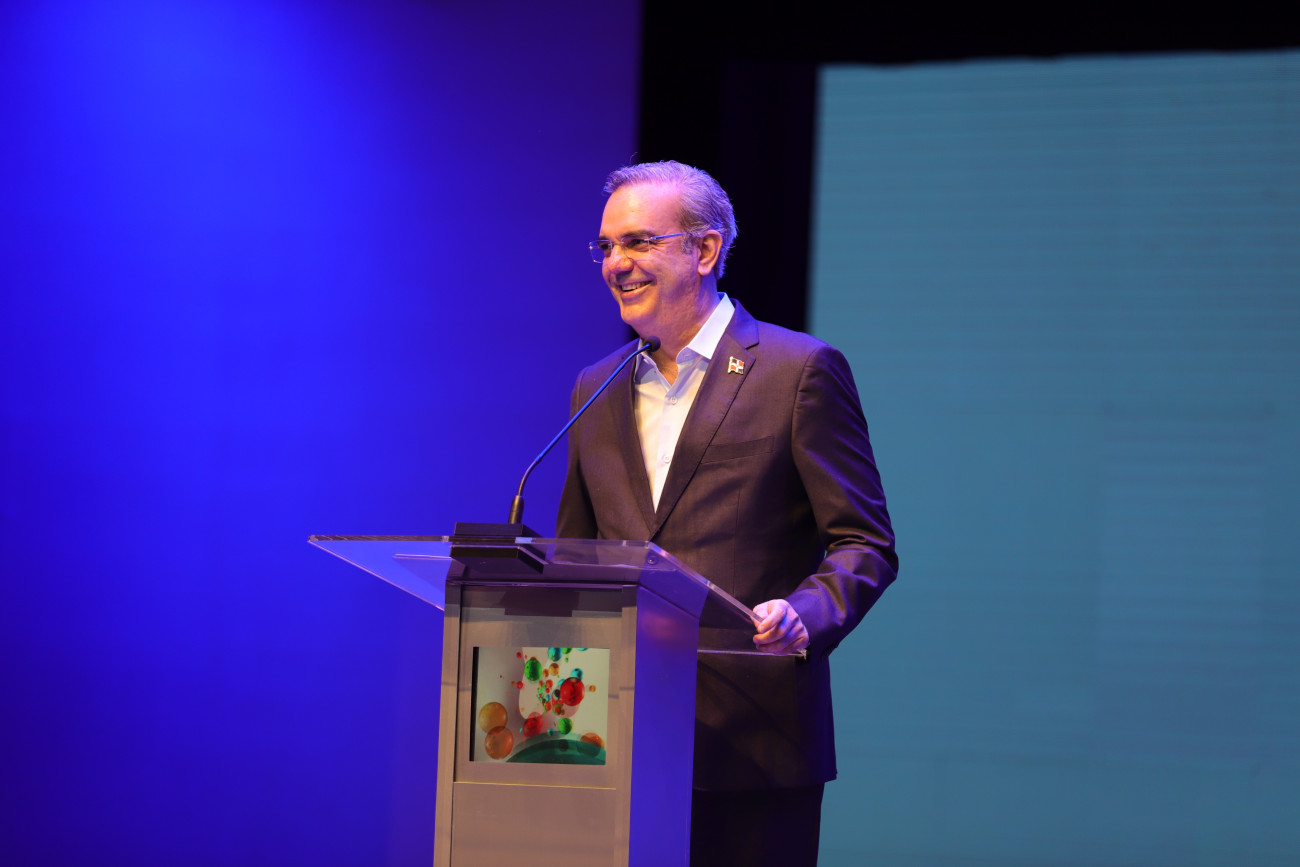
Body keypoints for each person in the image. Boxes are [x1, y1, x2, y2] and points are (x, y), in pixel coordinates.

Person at [557, 160, 897, 865]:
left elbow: (864, 542)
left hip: (754, 744)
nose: (616, 263)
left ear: (705, 250)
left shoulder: (797, 371)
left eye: (638, 242)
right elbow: (577, 557)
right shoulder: (597, 386)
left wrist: (804, 614)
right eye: (607, 246)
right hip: (616, 743)